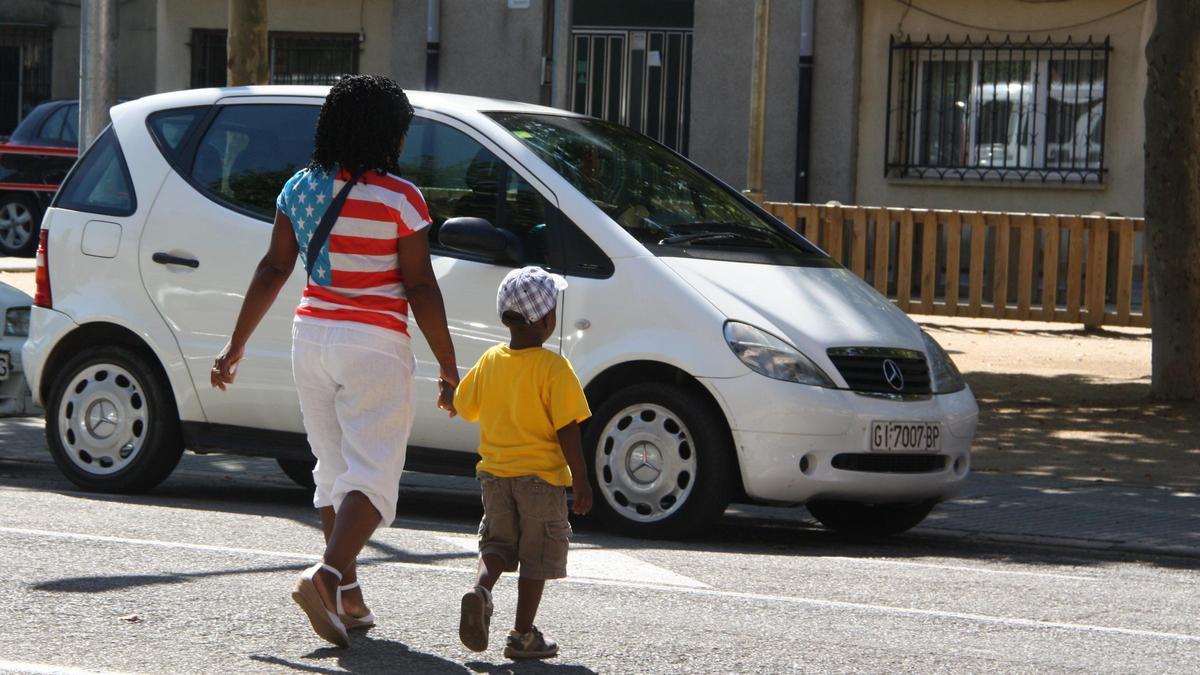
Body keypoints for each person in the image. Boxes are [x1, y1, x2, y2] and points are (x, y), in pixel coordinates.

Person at [210, 75, 458, 648]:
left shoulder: (298, 187)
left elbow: (273, 269)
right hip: (374, 344)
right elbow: (420, 287)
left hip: (311, 338)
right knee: (374, 474)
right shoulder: (401, 198)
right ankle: (325, 576)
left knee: (332, 468)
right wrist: (449, 367)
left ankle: (347, 595)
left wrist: (235, 344)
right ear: (388, 134)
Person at [447, 266, 593, 660]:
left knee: (497, 544)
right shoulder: (554, 368)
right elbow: (568, 430)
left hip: (495, 477)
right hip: (541, 481)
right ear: (545, 321)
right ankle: (522, 635)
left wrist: (449, 396)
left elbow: (464, 406)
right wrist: (580, 480)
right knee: (536, 557)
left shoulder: (490, 360)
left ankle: (480, 589)